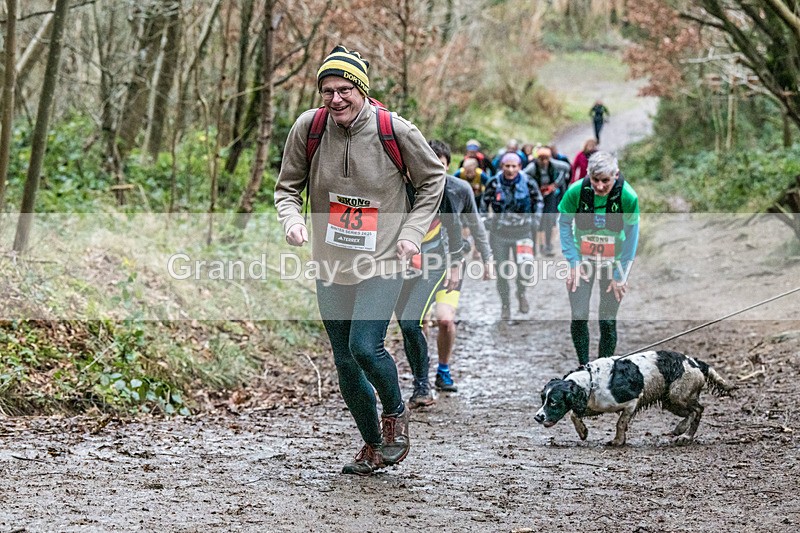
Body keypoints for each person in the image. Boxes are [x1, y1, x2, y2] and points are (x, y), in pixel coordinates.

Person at [274, 45, 446, 476]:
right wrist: (292, 220)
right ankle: (371, 445)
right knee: (344, 361)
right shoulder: (309, 128)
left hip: (384, 259)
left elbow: (433, 182)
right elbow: (286, 188)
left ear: (363, 91)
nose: (336, 99)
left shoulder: (396, 130)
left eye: (345, 89)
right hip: (331, 264)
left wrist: (410, 234)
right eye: (327, 91)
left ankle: (394, 412)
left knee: (363, 347)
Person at [396, 140, 466, 409]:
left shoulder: (439, 189)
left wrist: (456, 264)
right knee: (405, 323)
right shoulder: (394, 186)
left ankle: (422, 386)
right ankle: (419, 381)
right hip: (400, 265)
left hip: (432, 263)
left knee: (411, 321)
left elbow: (455, 228)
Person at [557, 151, 640, 366]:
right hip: (583, 262)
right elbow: (564, 224)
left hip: (613, 263)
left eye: (605, 181)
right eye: (595, 180)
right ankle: (584, 367)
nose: (600, 186)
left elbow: (632, 236)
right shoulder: (576, 191)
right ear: (588, 175)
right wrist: (573, 263)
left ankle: (603, 368)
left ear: (616, 175)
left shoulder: (628, 197)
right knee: (579, 314)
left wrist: (620, 274)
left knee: (607, 320)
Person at [427, 140, 493, 396]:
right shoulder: (408, 186)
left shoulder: (460, 189)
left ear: (447, 166)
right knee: (419, 323)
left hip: (451, 264)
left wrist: (487, 259)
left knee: (444, 320)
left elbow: (476, 226)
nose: (435, 171)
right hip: (416, 265)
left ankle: (443, 370)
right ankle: (421, 373)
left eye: (440, 166)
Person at [482, 152, 544, 320]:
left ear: (519, 167)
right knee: (502, 271)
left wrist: (536, 219)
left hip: (523, 232)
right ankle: (505, 305)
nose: (510, 169)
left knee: (525, 269)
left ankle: (521, 292)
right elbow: (483, 203)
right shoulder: (493, 183)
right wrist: (484, 220)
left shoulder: (528, 181)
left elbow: (538, 200)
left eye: (513, 166)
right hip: (499, 234)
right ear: (502, 167)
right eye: (507, 166)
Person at [523, 147, 570, 257]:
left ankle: (548, 245)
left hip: (550, 196)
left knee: (549, 219)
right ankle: (536, 247)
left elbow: (566, 168)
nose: (544, 161)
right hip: (536, 197)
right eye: (541, 159)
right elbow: (523, 176)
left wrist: (556, 184)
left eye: (546, 159)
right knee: (537, 221)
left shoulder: (554, 165)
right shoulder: (532, 167)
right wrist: (534, 187)